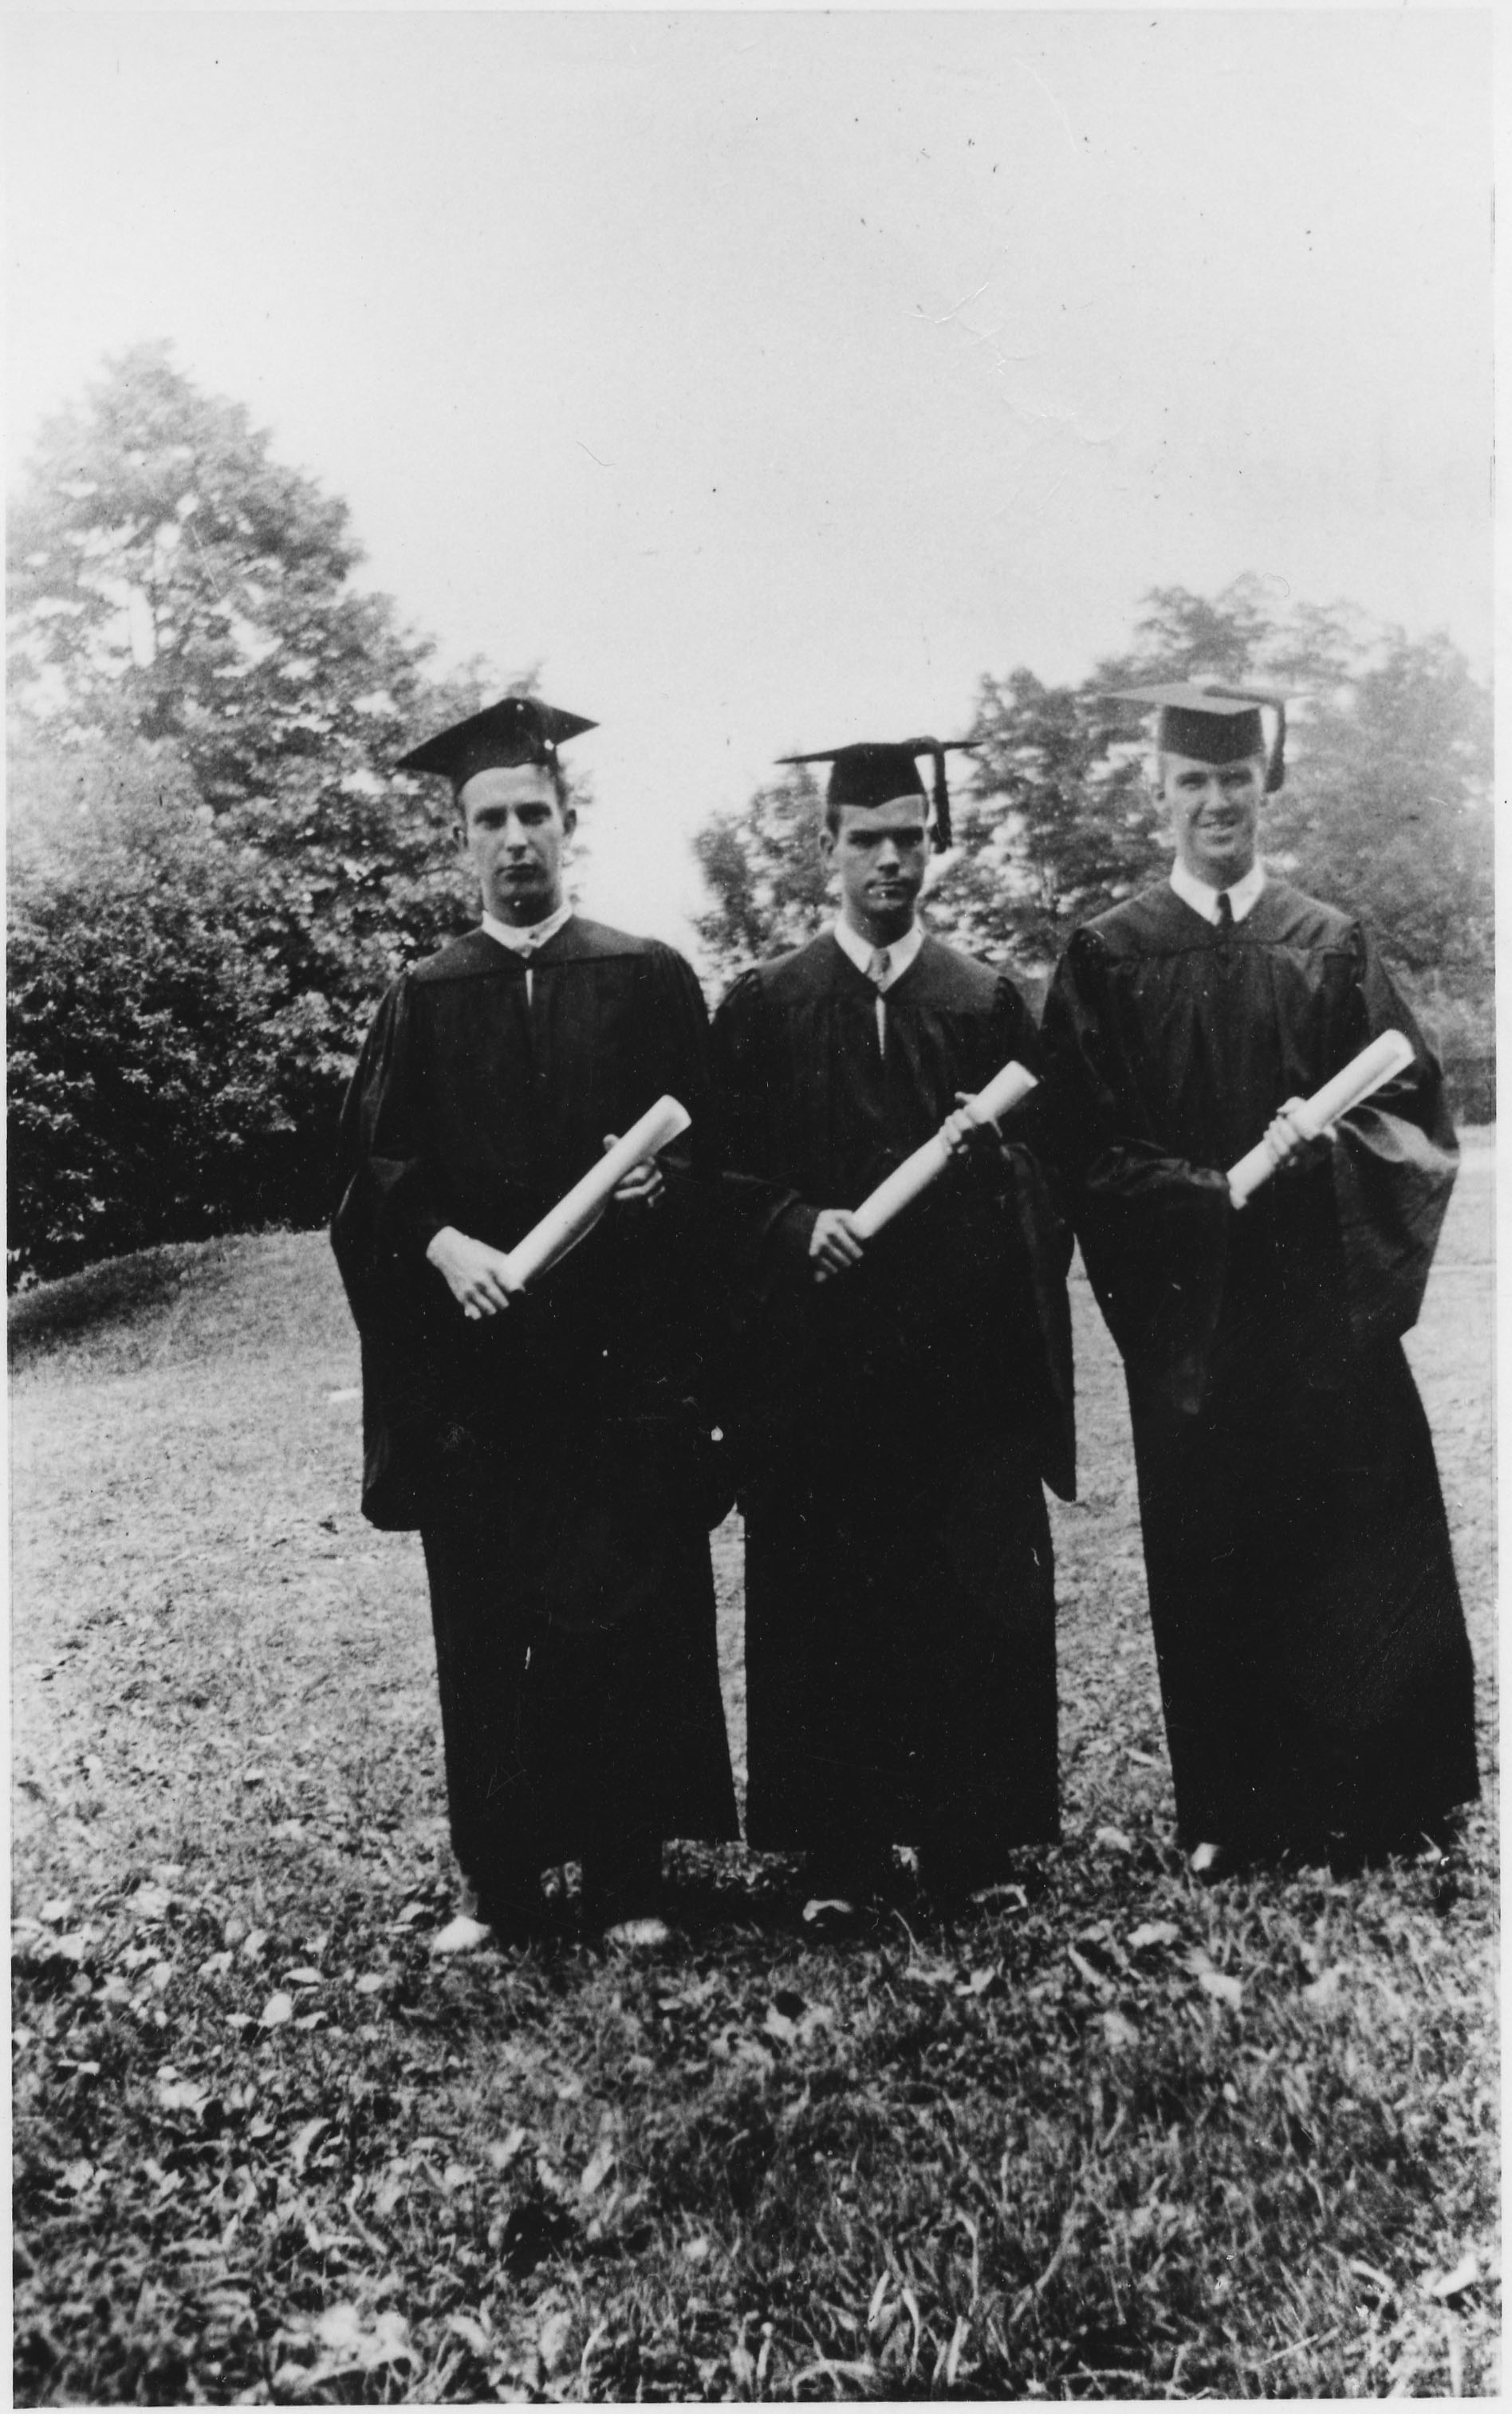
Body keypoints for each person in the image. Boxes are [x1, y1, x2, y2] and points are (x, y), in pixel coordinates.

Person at [1039, 682, 1479, 1875]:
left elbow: (1410, 1115)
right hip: (1199, 1311)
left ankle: (1377, 1807)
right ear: (1161, 794)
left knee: (1346, 1539)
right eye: (1195, 781)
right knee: (1214, 1538)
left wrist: (1331, 1146)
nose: (1217, 800)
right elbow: (1085, 1149)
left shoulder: (1328, 942)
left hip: (1321, 1302)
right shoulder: (1109, 956)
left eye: (1236, 779)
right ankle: (1238, 1813)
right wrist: (1199, 1197)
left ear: (1263, 785)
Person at [332, 694, 737, 1948]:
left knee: (616, 1610)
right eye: (489, 819)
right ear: (460, 842)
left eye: (535, 815)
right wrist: (446, 1250)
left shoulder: (646, 976)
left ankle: (626, 1875)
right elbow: (371, 1186)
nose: (516, 839)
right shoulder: (421, 999)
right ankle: (503, 1885)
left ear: (569, 826)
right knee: (487, 1622)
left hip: (613, 1372)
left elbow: (722, 1162)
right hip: (479, 1380)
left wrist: (671, 1188)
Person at [710, 737, 1075, 1908]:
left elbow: (1052, 1175)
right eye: (865, 839)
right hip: (817, 1365)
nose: (888, 860)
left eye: (908, 839)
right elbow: (720, 1177)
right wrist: (793, 1223)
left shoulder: (985, 1002)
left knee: (964, 1586)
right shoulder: (767, 1005)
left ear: (933, 847)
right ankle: (840, 1849)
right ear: (825, 851)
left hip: (955, 1363)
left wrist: (994, 1163)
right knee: (828, 1588)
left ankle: (969, 1844)